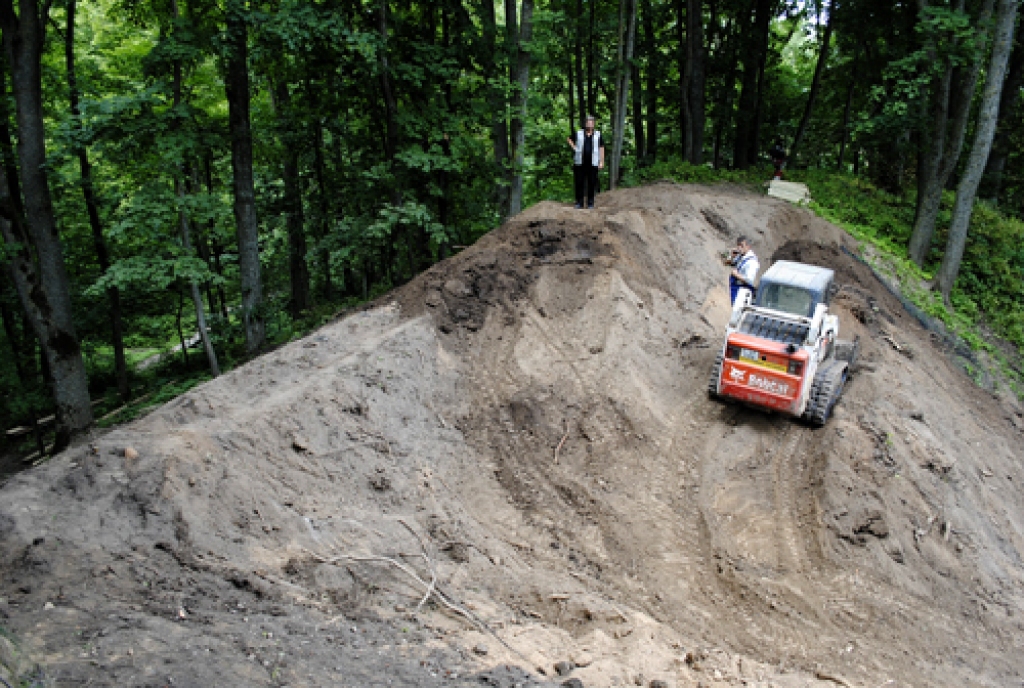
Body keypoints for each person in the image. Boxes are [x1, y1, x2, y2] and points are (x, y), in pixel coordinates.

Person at [567, 115, 605, 209]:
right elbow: (569, 139)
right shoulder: (579, 133)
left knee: (592, 183)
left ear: (594, 124)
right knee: (579, 182)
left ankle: (590, 203)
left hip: (593, 162)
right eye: (588, 122)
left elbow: (601, 148)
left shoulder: (598, 134)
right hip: (580, 162)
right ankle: (579, 202)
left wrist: (601, 161)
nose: (589, 124)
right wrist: (575, 148)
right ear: (585, 124)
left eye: (591, 123)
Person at [729, 236, 760, 305]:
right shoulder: (741, 256)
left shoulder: (752, 262)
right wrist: (731, 256)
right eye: (738, 245)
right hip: (735, 289)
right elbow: (729, 263)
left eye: (742, 246)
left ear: (748, 246)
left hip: (742, 292)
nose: (739, 248)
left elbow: (749, 280)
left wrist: (736, 275)